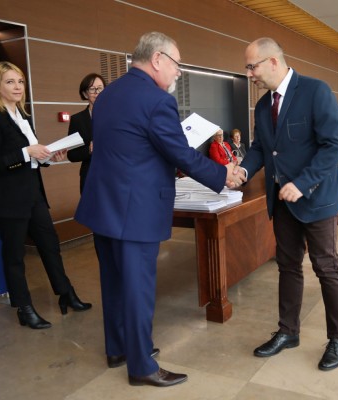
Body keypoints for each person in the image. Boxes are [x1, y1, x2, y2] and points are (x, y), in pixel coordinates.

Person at [74, 32, 245, 387]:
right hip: (134, 210)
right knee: (138, 288)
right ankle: (141, 367)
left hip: (102, 205)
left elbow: (129, 148)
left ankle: (118, 348)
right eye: (177, 64)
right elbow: (178, 152)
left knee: (114, 283)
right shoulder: (156, 101)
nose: (179, 73)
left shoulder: (107, 96)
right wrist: (221, 174)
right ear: (157, 59)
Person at [237, 37, 338, 371]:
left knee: (326, 266)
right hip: (281, 202)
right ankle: (288, 331)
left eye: (251, 66)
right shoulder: (262, 105)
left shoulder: (315, 91)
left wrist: (302, 183)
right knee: (287, 266)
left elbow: (333, 145)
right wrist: (243, 169)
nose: (249, 74)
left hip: (317, 199)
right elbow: (261, 147)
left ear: (273, 62)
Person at [0, 62, 91, 330]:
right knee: (15, 255)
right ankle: (23, 307)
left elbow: (33, 156)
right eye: (10, 82)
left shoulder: (23, 116)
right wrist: (27, 153)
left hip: (34, 194)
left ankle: (66, 293)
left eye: (20, 82)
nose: (17, 87)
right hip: (8, 199)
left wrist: (49, 155)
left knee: (50, 246)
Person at [67, 73, 107, 193]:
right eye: (92, 89)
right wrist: (89, 150)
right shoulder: (77, 119)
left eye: (100, 88)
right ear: (85, 94)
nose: (97, 92)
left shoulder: (117, 116)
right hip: (90, 176)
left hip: (115, 174)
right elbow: (72, 155)